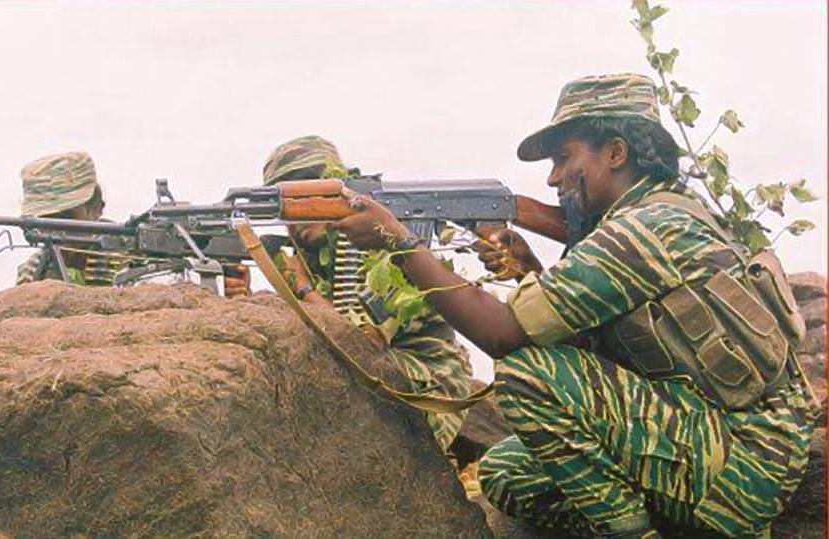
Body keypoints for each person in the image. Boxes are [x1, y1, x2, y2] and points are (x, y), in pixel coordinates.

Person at [333, 74, 815, 538]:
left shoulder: (643, 230)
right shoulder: (665, 211)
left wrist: (398, 242)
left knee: (525, 373)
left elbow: (503, 336)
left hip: (744, 465)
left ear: (616, 153)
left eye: (564, 158)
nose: (553, 177)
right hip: (732, 447)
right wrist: (530, 271)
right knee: (505, 472)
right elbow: (613, 347)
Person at [261, 135, 476, 453]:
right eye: (290, 203)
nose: (300, 213)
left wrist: (304, 290)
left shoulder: (381, 243)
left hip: (428, 385)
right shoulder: (311, 256)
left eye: (310, 193)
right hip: (373, 377)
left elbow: (359, 342)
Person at [16, 151, 123, 286]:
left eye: (65, 217)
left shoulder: (126, 259)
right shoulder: (35, 269)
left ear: (96, 209)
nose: (56, 229)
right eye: (45, 220)